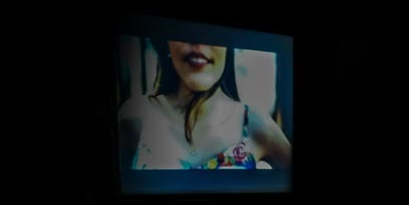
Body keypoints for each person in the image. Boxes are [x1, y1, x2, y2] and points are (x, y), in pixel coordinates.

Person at [118, 39, 292, 170]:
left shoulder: (254, 124)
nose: (198, 44)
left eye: (212, 35)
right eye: (184, 30)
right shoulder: (137, 116)